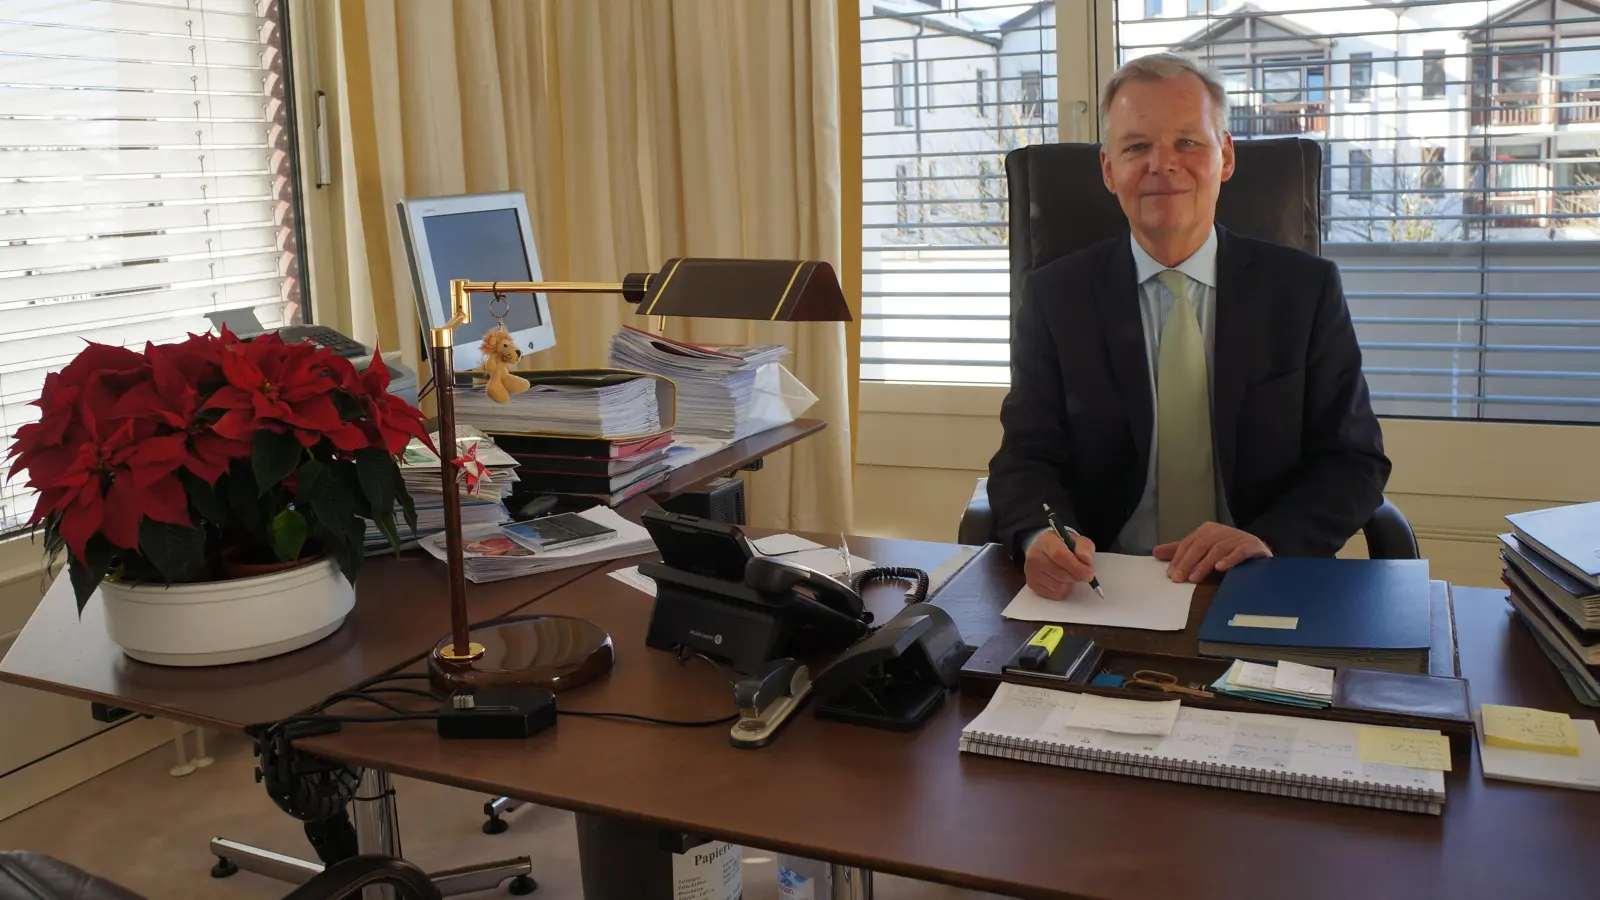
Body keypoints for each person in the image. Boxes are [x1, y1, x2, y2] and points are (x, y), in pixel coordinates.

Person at [987, 53, 1391, 600]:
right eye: (1136, 147)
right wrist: (1040, 535)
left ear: (1225, 156)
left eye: (1187, 142)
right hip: (1105, 586)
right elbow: (1027, 455)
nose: (1163, 164)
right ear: (1109, 170)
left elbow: (1353, 459)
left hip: (1255, 578)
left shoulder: (1304, 291)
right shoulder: (1056, 296)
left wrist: (1266, 540)